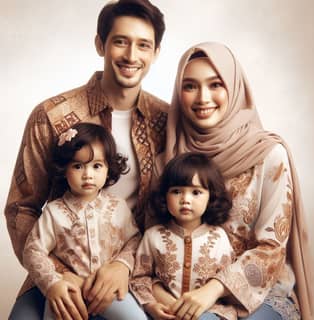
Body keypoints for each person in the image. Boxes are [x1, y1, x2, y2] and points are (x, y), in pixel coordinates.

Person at [5, 0, 168, 319]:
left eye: (143, 45)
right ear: (100, 44)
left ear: (155, 53)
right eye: (120, 41)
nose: (131, 56)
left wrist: (124, 265)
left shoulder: (167, 121)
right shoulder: (50, 115)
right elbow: (21, 209)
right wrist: (57, 275)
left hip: (133, 273)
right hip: (57, 273)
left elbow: (168, 212)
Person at [152, 42, 314, 320]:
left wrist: (214, 290)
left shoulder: (268, 156)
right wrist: (161, 299)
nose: (203, 97)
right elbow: (152, 240)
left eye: (215, 85)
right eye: (190, 86)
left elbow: (272, 249)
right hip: (183, 294)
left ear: (235, 88)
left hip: (260, 295)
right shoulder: (169, 158)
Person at [22, 122, 147, 320]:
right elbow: (33, 251)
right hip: (68, 291)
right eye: (78, 166)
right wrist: (52, 284)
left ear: (108, 168)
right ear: (65, 169)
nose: (88, 174)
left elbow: (135, 240)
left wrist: (122, 263)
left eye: (96, 166)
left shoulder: (117, 206)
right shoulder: (55, 212)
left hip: (108, 292)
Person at [131, 152, 236, 320]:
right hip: (164, 313)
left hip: (208, 313)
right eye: (177, 191)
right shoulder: (153, 236)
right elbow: (140, 278)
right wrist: (151, 305)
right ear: (165, 195)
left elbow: (226, 282)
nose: (186, 199)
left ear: (211, 197)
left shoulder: (219, 237)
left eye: (196, 192)